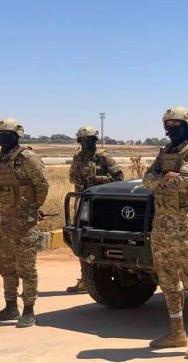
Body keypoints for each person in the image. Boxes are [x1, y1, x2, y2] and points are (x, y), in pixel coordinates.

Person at [142, 106, 188, 359]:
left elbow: (184, 182)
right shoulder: (165, 152)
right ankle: (177, 333)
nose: (170, 130)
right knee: (168, 282)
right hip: (162, 226)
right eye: (167, 126)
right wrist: (163, 177)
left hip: (185, 226)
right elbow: (146, 179)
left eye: (176, 126)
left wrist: (161, 178)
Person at [0, 118, 49, 328]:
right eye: (0, 135)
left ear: (16, 136)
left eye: (6, 135)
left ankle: (29, 311)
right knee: (5, 265)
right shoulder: (1, 158)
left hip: (24, 223)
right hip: (4, 222)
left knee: (26, 268)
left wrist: (32, 208)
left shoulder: (28, 158)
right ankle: (10, 306)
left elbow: (42, 185)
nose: (1, 139)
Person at [66, 125, 124, 293]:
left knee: (97, 241)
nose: (88, 142)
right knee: (80, 241)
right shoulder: (77, 157)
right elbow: (72, 176)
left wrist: (97, 179)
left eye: (91, 139)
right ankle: (86, 277)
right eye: (84, 140)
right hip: (82, 202)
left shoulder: (103, 157)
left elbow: (119, 178)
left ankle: (94, 278)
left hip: (100, 205)